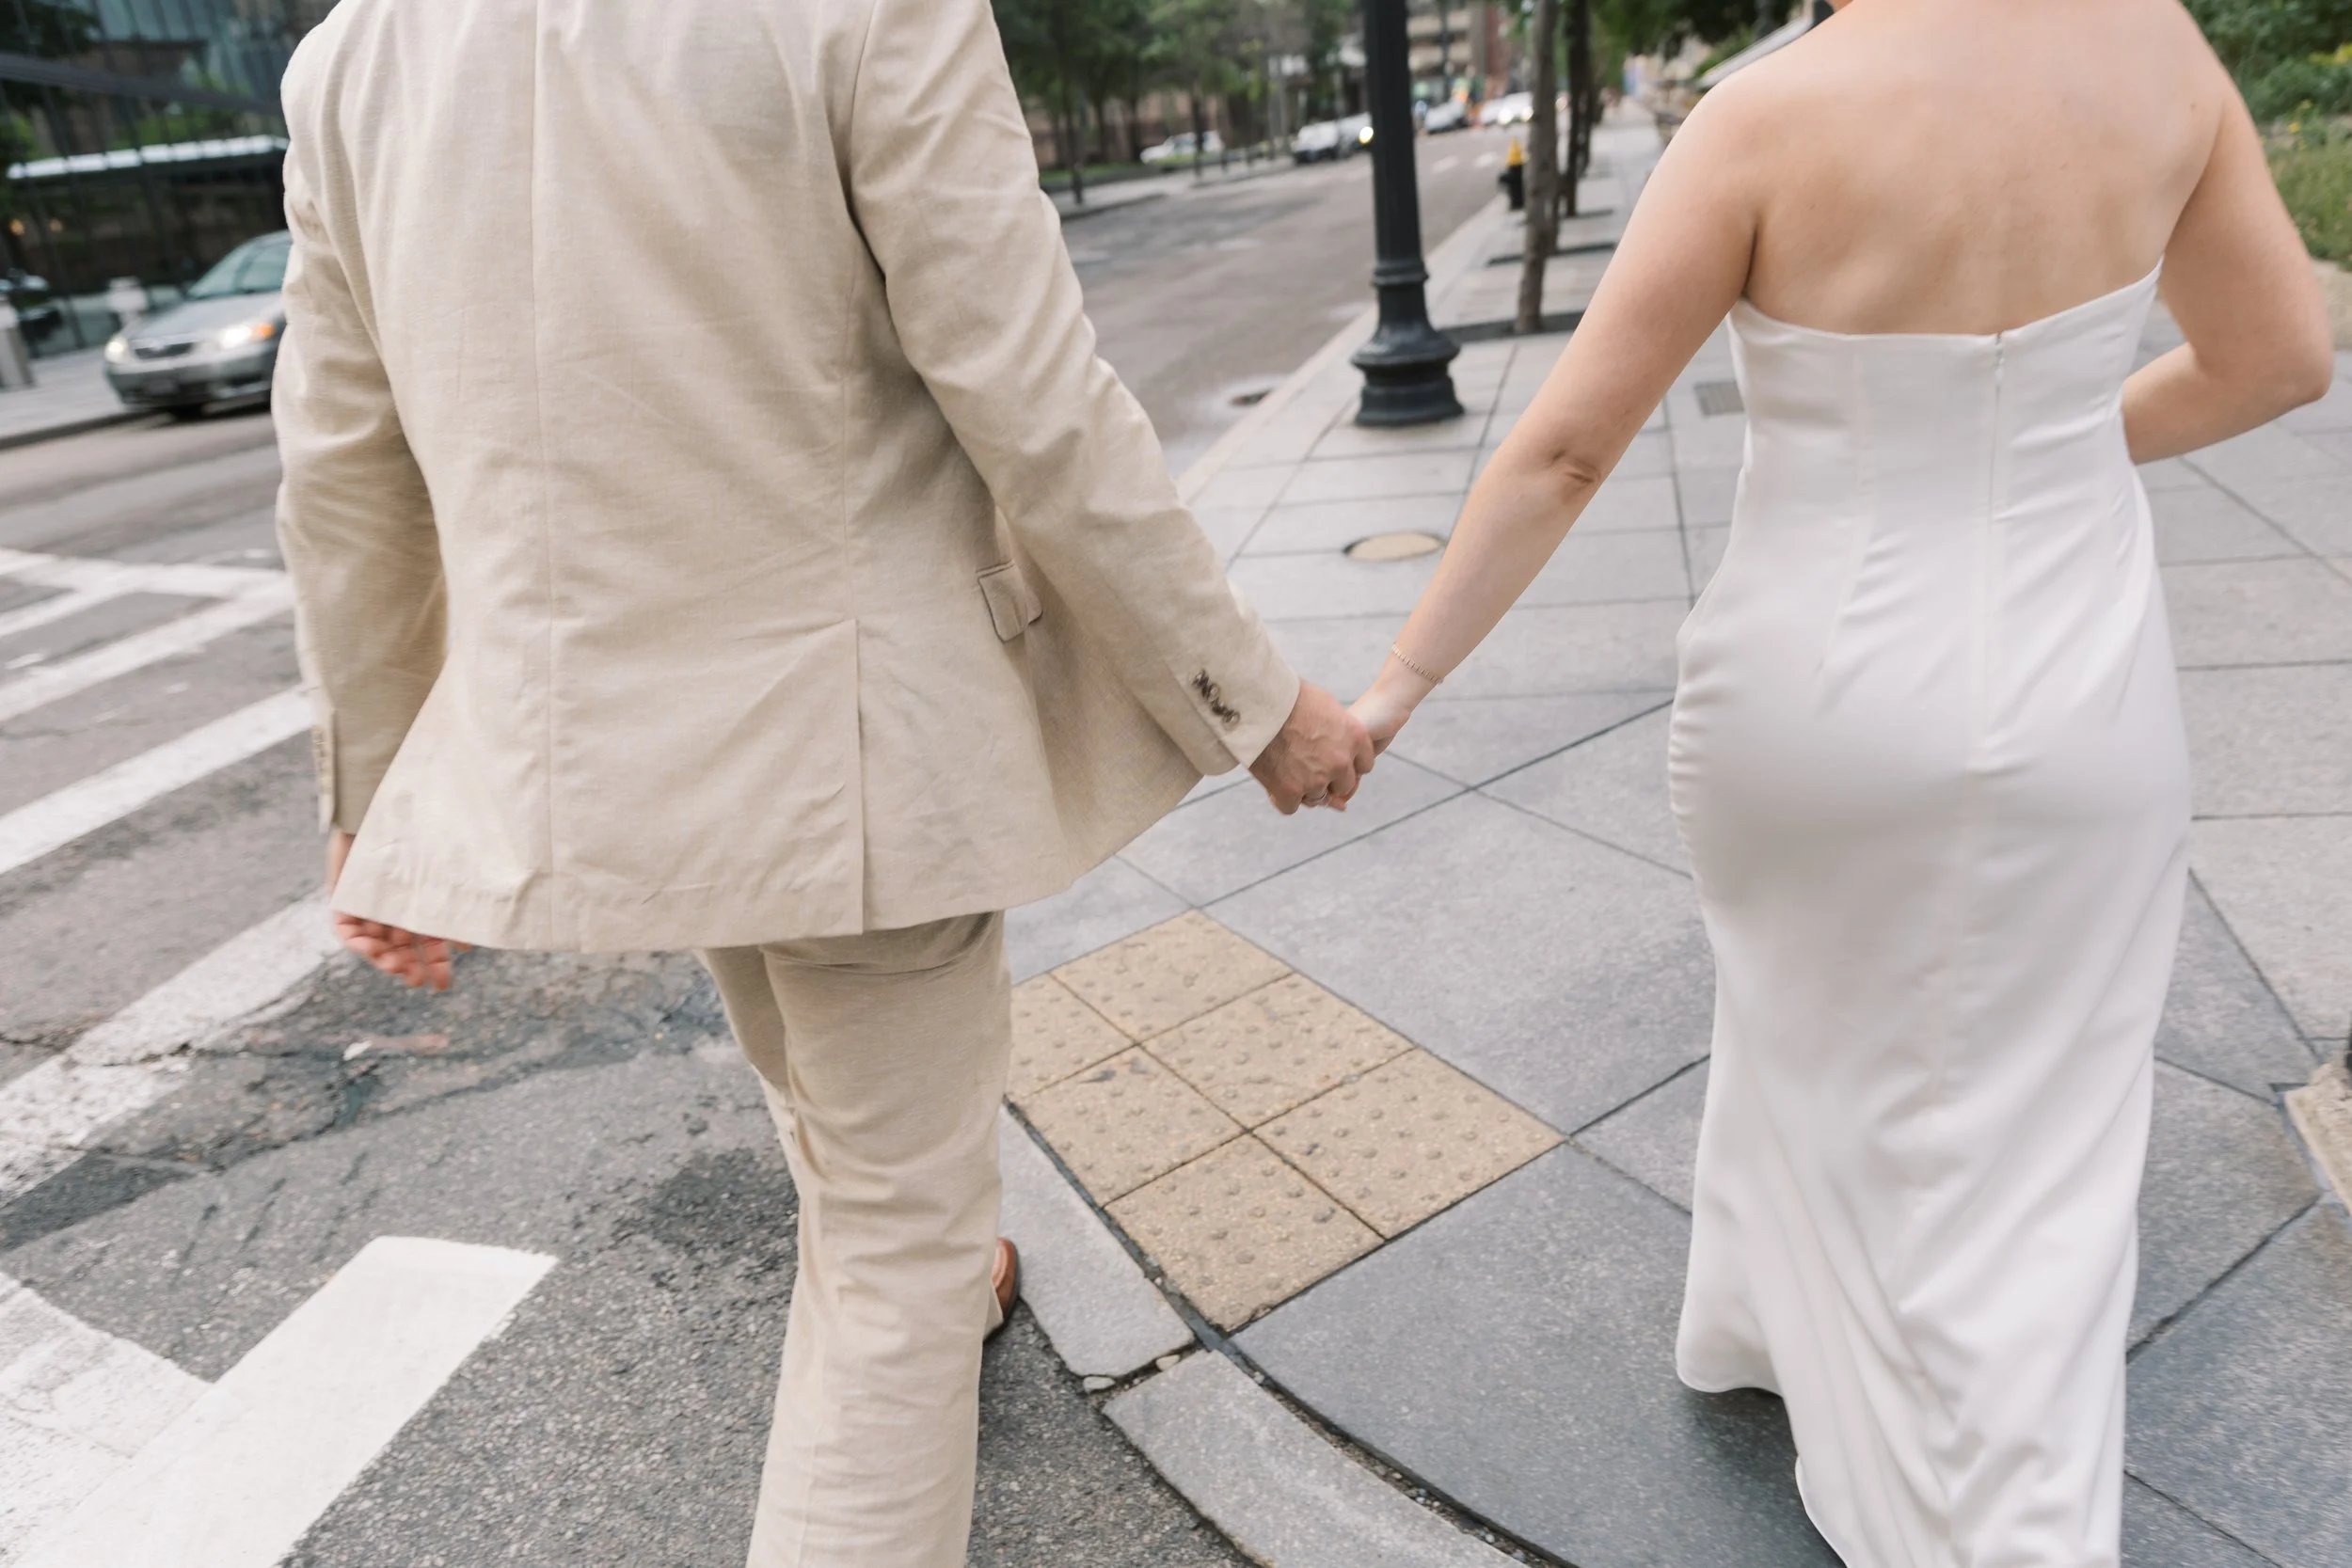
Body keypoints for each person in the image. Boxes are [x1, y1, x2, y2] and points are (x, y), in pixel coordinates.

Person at [270, 1, 1373, 1564]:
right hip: (855, 747)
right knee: (894, 1254)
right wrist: (1257, 703)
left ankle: (945, 1255)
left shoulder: (353, 55)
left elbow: (343, 464)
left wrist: (371, 792)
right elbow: (1036, 396)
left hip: (623, 760)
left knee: (852, 1155)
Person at [1351, 1, 2330, 1562]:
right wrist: (2062, 449)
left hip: (1812, 693)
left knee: (1807, 1028)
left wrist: (1392, 688)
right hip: (2080, 685)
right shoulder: (2157, 51)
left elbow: (1564, 453)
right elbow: (2280, 360)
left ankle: (1799, 1368)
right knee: (2046, 1111)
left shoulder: (1761, 117)